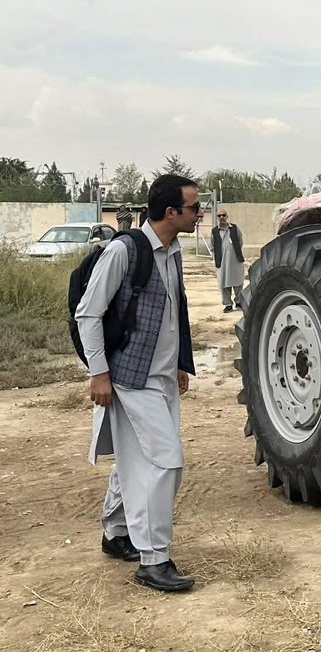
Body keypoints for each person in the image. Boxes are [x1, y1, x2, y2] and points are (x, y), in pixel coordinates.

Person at [76, 174, 201, 593]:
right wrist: (98, 373)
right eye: (193, 208)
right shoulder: (123, 251)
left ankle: (115, 532)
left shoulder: (173, 251)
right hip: (131, 378)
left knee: (135, 458)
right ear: (171, 213)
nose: (199, 214)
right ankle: (153, 560)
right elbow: (88, 314)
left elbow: (172, 312)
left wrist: (179, 363)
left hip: (162, 378)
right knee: (166, 462)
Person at [211, 209, 245, 313]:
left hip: (235, 260)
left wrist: (234, 253)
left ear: (227, 216)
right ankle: (228, 304)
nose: (221, 217)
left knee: (238, 282)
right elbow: (212, 246)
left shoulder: (234, 228)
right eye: (219, 216)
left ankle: (239, 302)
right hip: (222, 262)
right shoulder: (215, 231)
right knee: (223, 283)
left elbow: (240, 241)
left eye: (223, 215)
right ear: (217, 218)